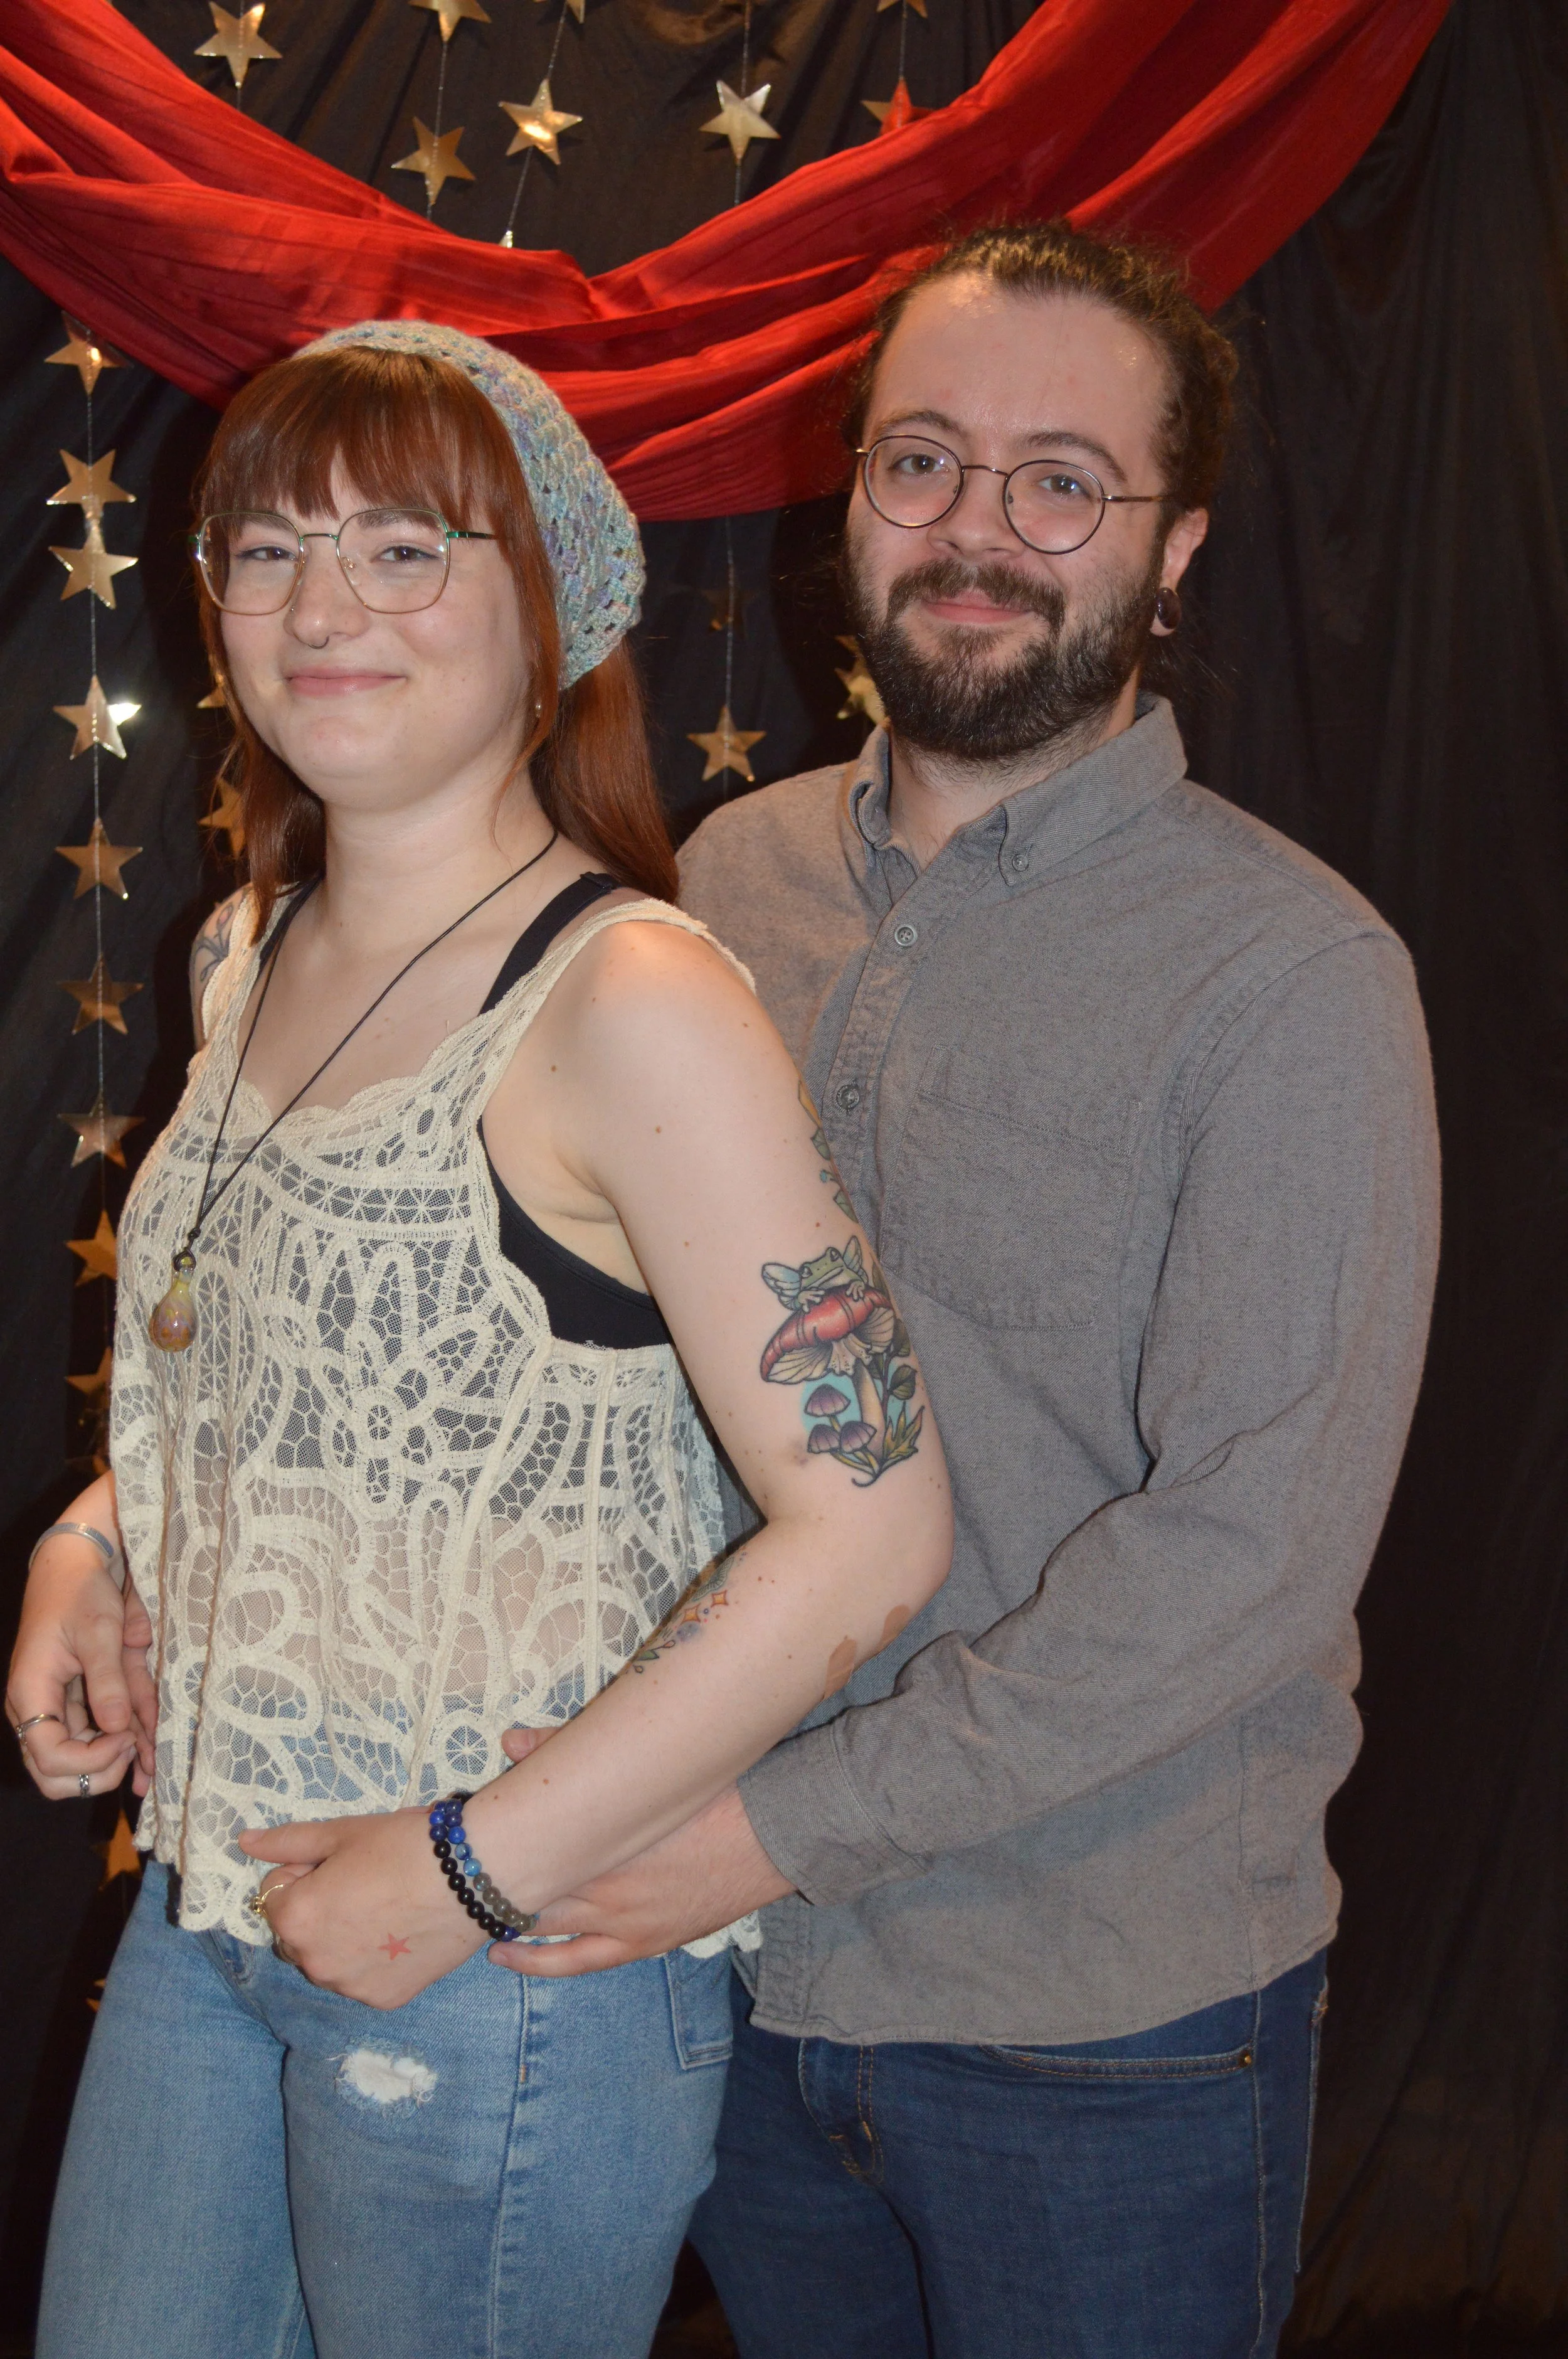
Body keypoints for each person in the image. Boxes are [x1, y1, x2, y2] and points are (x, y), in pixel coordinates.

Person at [481, 224, 1443, 2358]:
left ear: (1169, 548)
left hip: (1096, 2022)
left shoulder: (1292, 979)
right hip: (723, 1985)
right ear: (850, 501)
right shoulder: (725, 882)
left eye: (1057, 480)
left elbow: (1248, 1555)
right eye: (922, 462)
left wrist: (764, 1830)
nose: (976, 533)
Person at [6, 321, 950, 2359]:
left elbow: (871, 1531)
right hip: (215, 1906)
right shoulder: (248, 948)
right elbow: (273, 1368)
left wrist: (467, 1870)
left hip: (499, 1981)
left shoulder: (631, 1002)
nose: (319, 605)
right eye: (262, 552)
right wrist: (96, 1539)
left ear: (550, 614)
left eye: (405, 547)